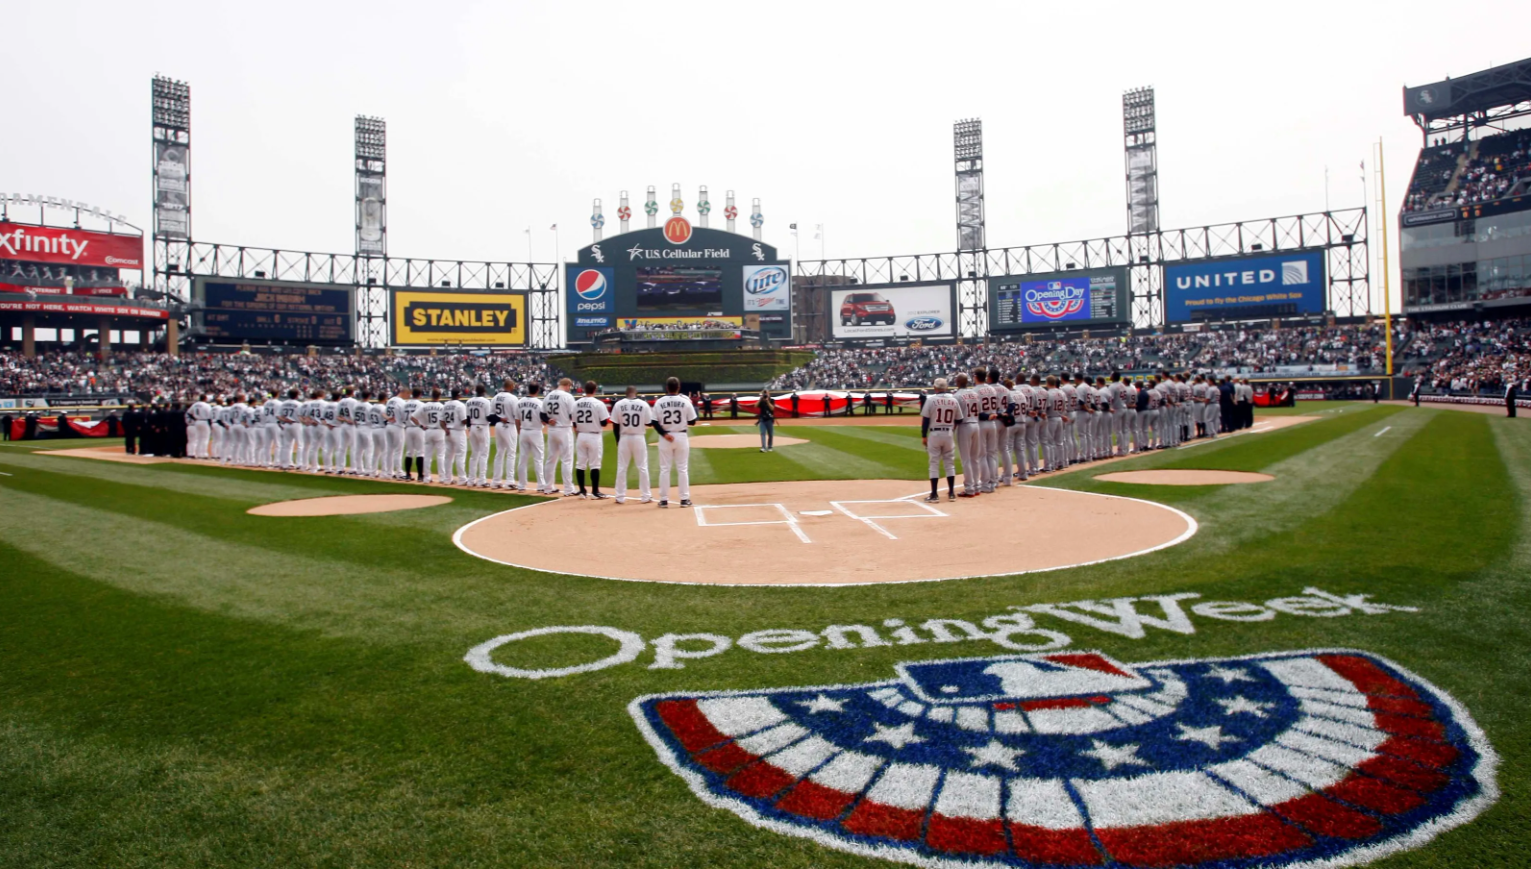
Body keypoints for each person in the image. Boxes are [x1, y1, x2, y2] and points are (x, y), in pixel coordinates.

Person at [652, 376, 698, 508]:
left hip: (665, 438)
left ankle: (663, 500)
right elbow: (693, 421)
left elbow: (654, 422)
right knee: (682, 469)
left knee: (665, 469)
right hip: (681, 436)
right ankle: (684, 499)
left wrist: (664, 434)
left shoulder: (660, 402)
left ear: (666, 388)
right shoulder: (685, 401)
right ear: (679, 387)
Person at [920, 377, 963, 502]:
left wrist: (923, 435)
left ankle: (934, 494)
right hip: (948, 433)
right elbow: (959, 419)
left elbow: (926, 420)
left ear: (935, 388)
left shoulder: (931, 400)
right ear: (946, 388)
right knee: (949, 463)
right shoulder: (954, 400)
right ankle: (951, 493)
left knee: (934, 463)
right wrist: (951, 429)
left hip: (935, 434)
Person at [611, 385, 653, 504]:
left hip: (624, 437)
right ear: (636, 393)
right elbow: (649, 423)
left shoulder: (618, 404)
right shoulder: (643, 404)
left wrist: (618, 440)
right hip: (639, 437)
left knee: (622, 468)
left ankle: (619, 497)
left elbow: (615, 425)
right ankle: (645, 496)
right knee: (643, 467)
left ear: (626, 393)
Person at [573, 380, 611, 498]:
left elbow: (574, 422)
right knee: (595, 464)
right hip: (594, 435)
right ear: (595, 390)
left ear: (584, 389)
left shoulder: (576, 403)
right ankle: (595, 492)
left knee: (580, 464)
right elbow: (604, 422)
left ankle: (582, 491)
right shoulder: (598, 404)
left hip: (581, 435)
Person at [541, 378, 577, 497]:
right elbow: (573, 415)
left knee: (551, 458)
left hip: (552, 429)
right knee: (567, 459)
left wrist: (548, 420)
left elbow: (542, 414)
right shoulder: (567, 396)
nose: (569, 388)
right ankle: (568, 488)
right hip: (564, 428)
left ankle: (548, 487)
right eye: (569, 386)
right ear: (567, 385)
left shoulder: (548, 396)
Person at [953, 372, 983, 496]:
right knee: (975, 458)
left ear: (958, 382)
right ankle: (977, 486)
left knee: (966, 459)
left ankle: (969, 488)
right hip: (976, 425)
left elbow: (956, 416)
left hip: (964, 426)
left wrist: (951, 430)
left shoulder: (957, 396)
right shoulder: (975, 394)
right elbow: (980, 411)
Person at [516, 383, 546, 493]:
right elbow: (543, 420)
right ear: (537, 390)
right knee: (538, 459)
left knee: (522, 459)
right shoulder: (539, 403)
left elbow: (517, 419)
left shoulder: (519, 402)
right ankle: (541, 485)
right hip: (536, 432)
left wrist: (519, 431)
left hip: (524, 431)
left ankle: (521, 485)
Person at [489, 379, 519, 489]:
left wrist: (500, 418)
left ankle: (496, 481)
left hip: (498, 426)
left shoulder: (495, 397)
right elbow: (516, 416)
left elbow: (490, 416)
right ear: (510, 386)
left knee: (499, 453)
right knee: (511, 453)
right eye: (513, 385)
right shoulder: (513, 398)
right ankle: (509, 481)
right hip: (509, 426)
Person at [414, 388, 447, 484]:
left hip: (428, 431)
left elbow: (412, 417)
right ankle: (442, 478)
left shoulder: (425, 406)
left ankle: (427, 477)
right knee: (441, 455)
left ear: (431, 395)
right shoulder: (442, 406)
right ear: (439, 396)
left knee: (427, 456)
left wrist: (421, 425)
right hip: (439, 431)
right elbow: (444, 421)